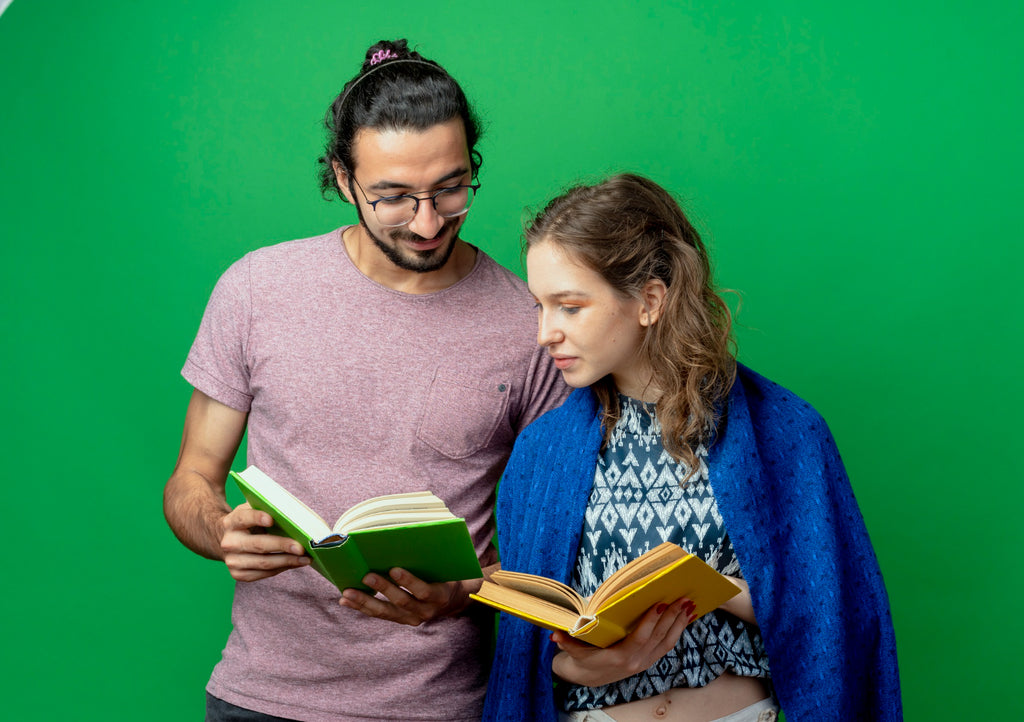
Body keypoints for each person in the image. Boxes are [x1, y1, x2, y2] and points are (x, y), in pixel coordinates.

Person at [162, 39, 567, 722]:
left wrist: (466, 590)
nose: (428, 221)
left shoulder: (528, 321)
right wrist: (221, 529)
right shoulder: (257, 288)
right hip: (261, 698)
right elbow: (189, 483)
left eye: (451, 188)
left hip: (443, 705)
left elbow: (556, 544)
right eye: (394, 198)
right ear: (344, 179)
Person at [481, 173, 902, 721]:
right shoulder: (542, 453)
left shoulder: (786, 430)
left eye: (569, 306)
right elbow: (528, 653)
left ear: (650, 300)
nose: (546, 333)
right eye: (540, 306)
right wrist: (579, 666)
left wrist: (711, 587)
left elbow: (836, 610)